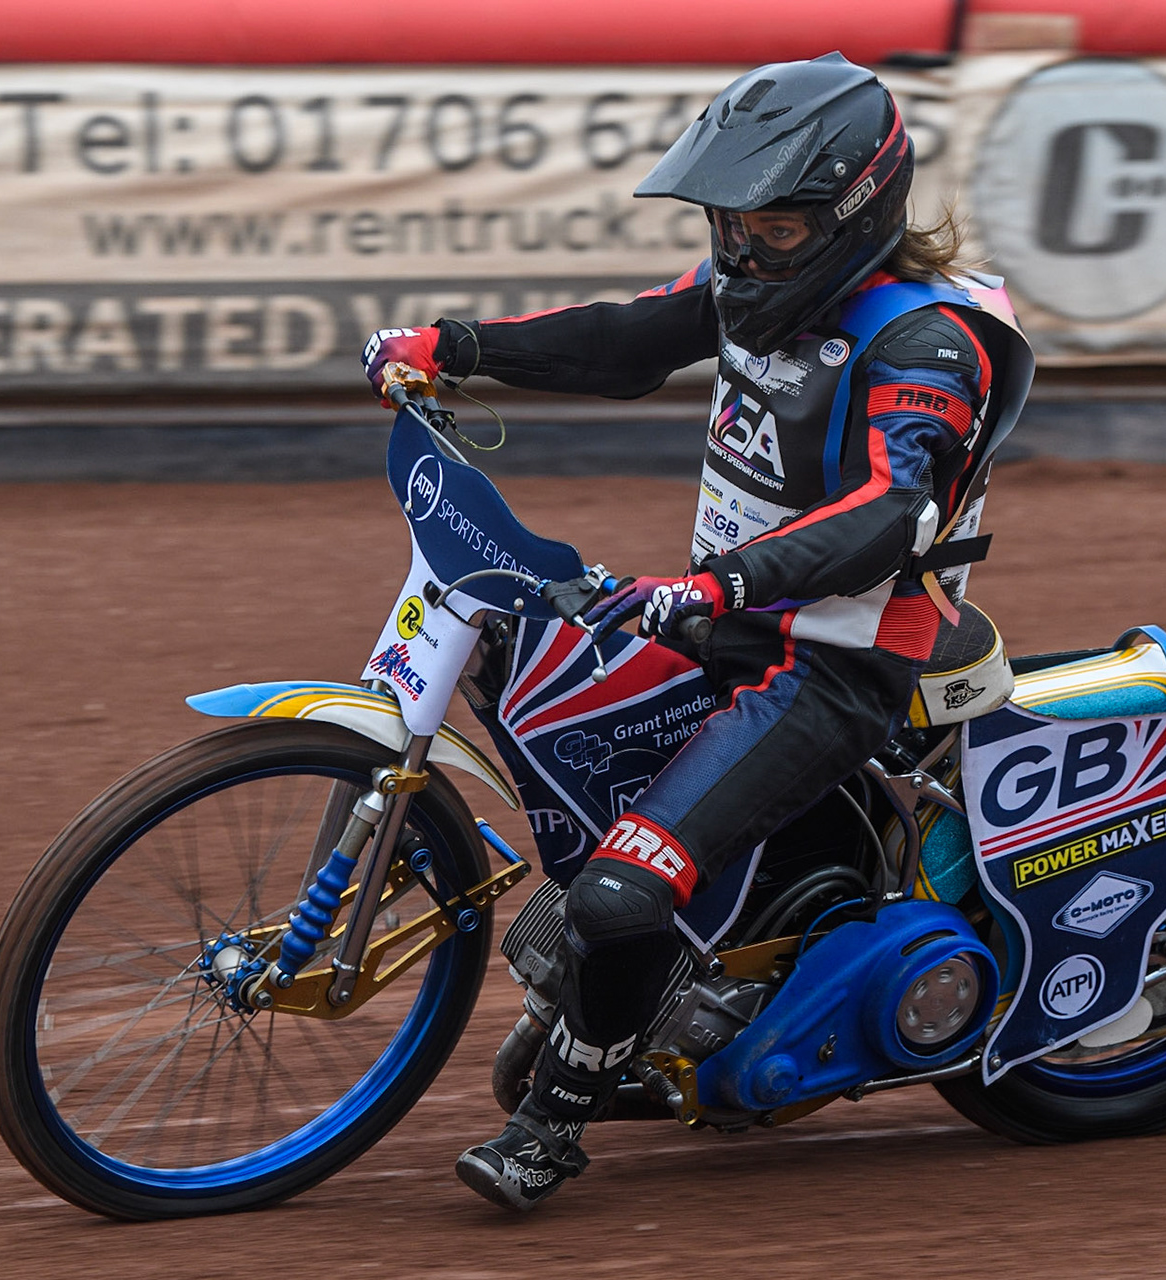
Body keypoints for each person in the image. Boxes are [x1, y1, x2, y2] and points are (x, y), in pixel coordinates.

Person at [361, 52, 1034, 1211]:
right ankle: (662, 949)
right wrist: (457, 346)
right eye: (730, 222)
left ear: (851, 211)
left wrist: (724, 585)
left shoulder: (928, 348)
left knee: (620, 896)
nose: (742, 248)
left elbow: (888, 514)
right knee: (523, 657)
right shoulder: (759, 281)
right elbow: (628, 342)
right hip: (726, 622)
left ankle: (559, 1113)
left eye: (771, 228)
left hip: (833, 664)